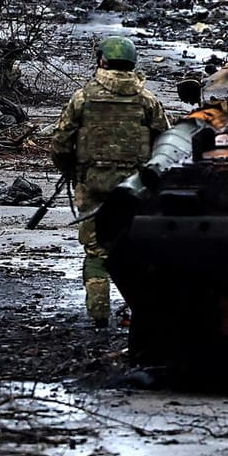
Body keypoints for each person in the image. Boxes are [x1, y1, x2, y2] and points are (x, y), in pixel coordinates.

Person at [50, 36, 169, 329]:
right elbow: (165, 142)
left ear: (101, 60)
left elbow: (61, 143)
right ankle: (137, 313)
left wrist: (72, 170)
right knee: (136, 251)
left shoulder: (83, 98)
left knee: (96, 253)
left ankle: (99, 317)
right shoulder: (146, 99)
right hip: (136, 191)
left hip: (93, 188)